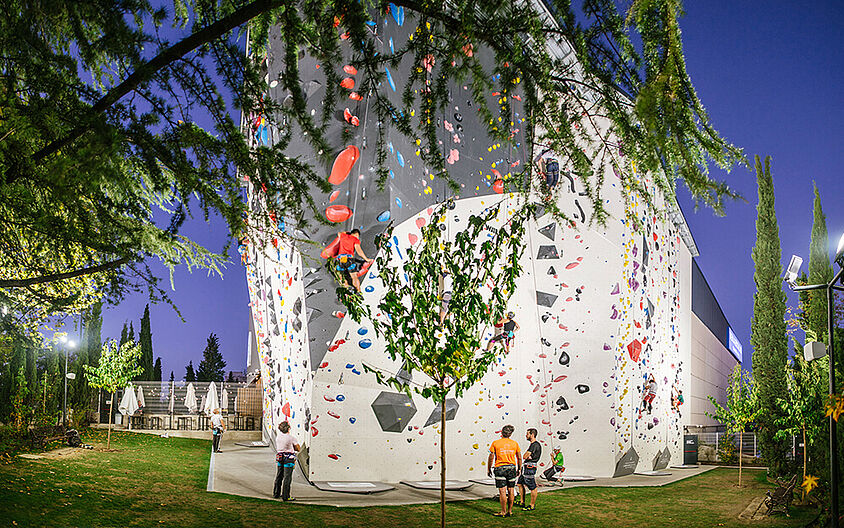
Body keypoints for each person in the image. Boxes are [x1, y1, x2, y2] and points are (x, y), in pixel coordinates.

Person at [488, 424, 522, 517]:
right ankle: (510, 511)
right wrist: (519, 468)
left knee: (502, 491)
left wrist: (489, 468)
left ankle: (503, 511)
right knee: (511, 489)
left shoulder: (495, 443)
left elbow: (491, 457)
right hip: (511, 468)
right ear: (510, 434)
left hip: (500, 468)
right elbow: (519, 457)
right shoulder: (515, 443)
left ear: (502, 432)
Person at [273, 421, 300, 501]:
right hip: (289, 458)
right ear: (288, 428)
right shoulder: (291, 438)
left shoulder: (278, 437)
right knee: (287, 477)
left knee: (279, 476)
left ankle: (276, 493)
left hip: (280, 457)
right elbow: (298, 448)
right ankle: (286, 496)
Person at [517, 428, 542, 511]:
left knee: (532, 487)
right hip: (526, 467)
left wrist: (528, 456)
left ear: (532, 435)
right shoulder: (532, 445)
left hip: (530, 468)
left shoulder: (535, 445)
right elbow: (527, 456)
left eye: (527, 434)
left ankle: (532, 505)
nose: (526, 435)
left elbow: (524, 456)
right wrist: (528, 456)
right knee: (520, 483)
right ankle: (522, 501)